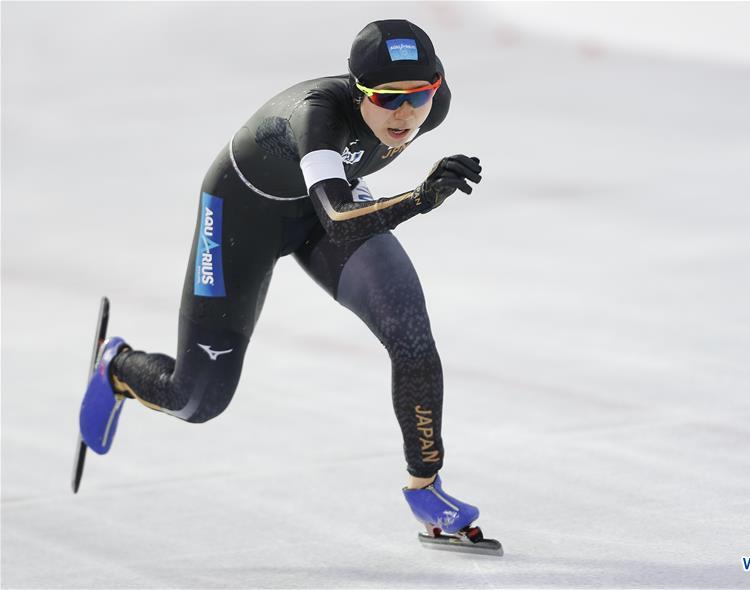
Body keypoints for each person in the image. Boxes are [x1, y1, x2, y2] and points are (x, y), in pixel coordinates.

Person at [79, 19, 484, 539]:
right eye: (386, 99)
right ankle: (117, 366)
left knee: (410, 333)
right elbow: (338, 218)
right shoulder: (318, 117)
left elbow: (336, 210)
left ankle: (425, 488)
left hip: (326, 208)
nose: (405, 114)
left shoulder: (434, 104)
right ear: (358, 90)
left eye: (418, 95)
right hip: (245, 217)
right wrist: (420, 199)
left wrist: (408, 189)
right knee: (197, 400)